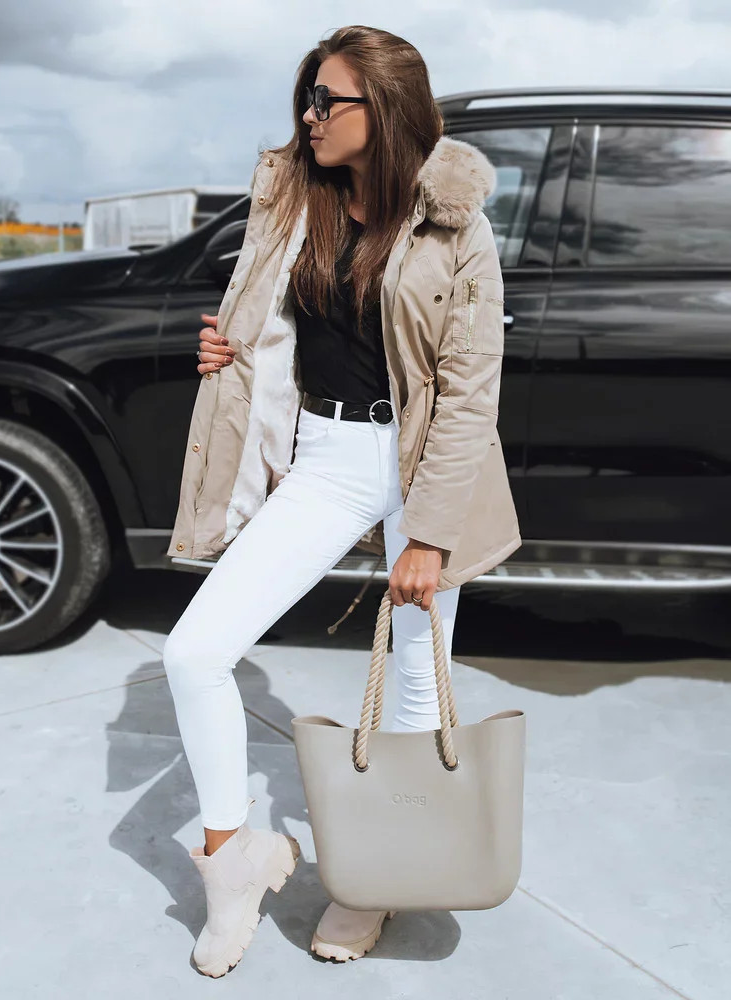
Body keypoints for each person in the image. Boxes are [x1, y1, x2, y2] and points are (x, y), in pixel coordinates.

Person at [162, 24, 521, 977]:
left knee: (414, 675)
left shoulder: (456, 225)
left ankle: (373, 879)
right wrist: (228, 351)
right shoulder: (296, 199)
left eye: (329, 100)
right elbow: (268, 327)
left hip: (422, 462)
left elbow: (468, 391)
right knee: (194, 651)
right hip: (323, 454)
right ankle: (234, 860)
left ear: (386, 110)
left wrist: (429, 535)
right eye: (308, 98)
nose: (311, 115)